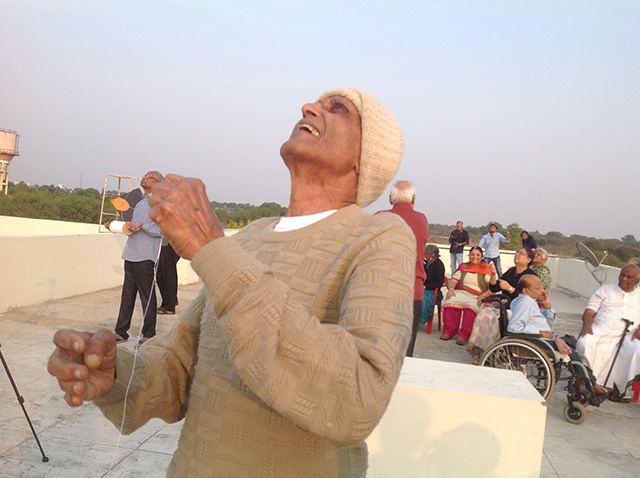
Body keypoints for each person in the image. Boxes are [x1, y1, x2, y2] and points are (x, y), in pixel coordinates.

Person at [47, 88, 415, 477]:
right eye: (315, 104)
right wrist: (115, 374)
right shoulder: (252, 236)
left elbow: (357, 398)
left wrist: (211, 247)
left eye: (336, 109)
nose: (309, 108)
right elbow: (179, 367)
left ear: (365, 159)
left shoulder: (379, 237)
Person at [508, 275, 608, 396]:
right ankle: (590, 383)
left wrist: (547, 306)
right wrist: (542, 333)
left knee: (572, 342)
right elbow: (514, 327)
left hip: (545, 338)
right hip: (536, 341)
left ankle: (586, 380)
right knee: (571, 351)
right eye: (538, 288)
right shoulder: (525, 302)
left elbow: (547, 325)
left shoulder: (530, 302)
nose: (543, 291)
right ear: (526, 290)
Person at [106, 171, 163, 348]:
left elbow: (161, 230)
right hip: (131, 253)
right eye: (144, 175)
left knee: (147, 296)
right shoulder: (140, 203)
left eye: (149, 177)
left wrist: (143, 226)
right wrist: (119, 227)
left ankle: (149, 333)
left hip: (145, 255)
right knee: (127, 295)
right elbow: (132, 227)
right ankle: (121, 331)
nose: (144, 178)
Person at [378, 180, 429, 357]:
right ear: (413, 199)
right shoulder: (422, 220)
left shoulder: (379, 217)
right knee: (406, 349)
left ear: (390, 199)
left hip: (381, 288)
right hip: (412, 289)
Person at [576, 264, 640, 400]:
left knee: (636, 350)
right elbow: (589, 311)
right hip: (601, 330)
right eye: (622, 275)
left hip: (629, 334)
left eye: (629, 277)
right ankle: (591, 384)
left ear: (637, 281)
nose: (624, 279)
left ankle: (619, 388)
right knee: (585, 343)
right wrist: (587, 324)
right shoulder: (605, 290)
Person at [441, 246, 497, 345]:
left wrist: (483, 296)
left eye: (477, 255)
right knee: (449, 301)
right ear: (469, 255)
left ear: (482, 257)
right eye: (472, 254)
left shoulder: (486, 268)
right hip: (461, 292)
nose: (474, 257)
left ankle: (464, 335)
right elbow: (453, 281)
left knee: (470, 308)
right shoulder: (463, 266)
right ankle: (449, 331)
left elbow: (493, 288)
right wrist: (451, 289)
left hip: (477, 295)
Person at [420, 244, 445, 326]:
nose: (424, 255)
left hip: (432, 291)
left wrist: (425, 287)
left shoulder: (439, 265)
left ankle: (418, 320)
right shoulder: (423, 262)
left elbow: (438, 283)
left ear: (432, 255)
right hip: (420, 287)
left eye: (426, 253)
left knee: (422, 298)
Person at [156, 240, 180, 314]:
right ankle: (171, 300)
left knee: (168, 273)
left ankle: (169, 306)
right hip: (166, 242)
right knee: (160, 272)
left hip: (172, 242)